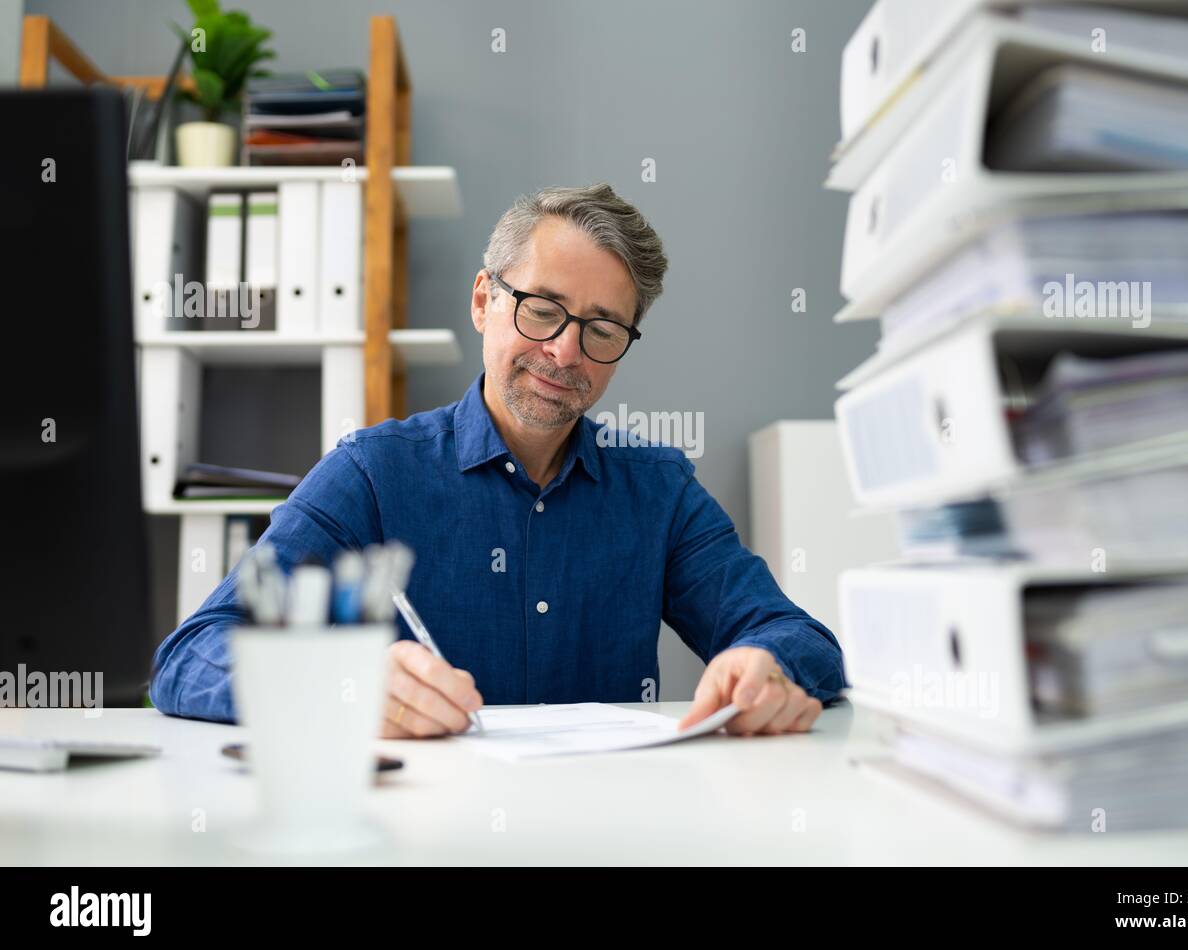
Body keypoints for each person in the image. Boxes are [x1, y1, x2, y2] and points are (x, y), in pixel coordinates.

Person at [151, 183, 846, 737]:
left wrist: (768, 667)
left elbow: (798, 637)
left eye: (602, 328)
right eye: (543, 310)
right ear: (484, 300)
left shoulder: (657, 491)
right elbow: (189, 657)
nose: (566, 352)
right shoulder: (373, 473)